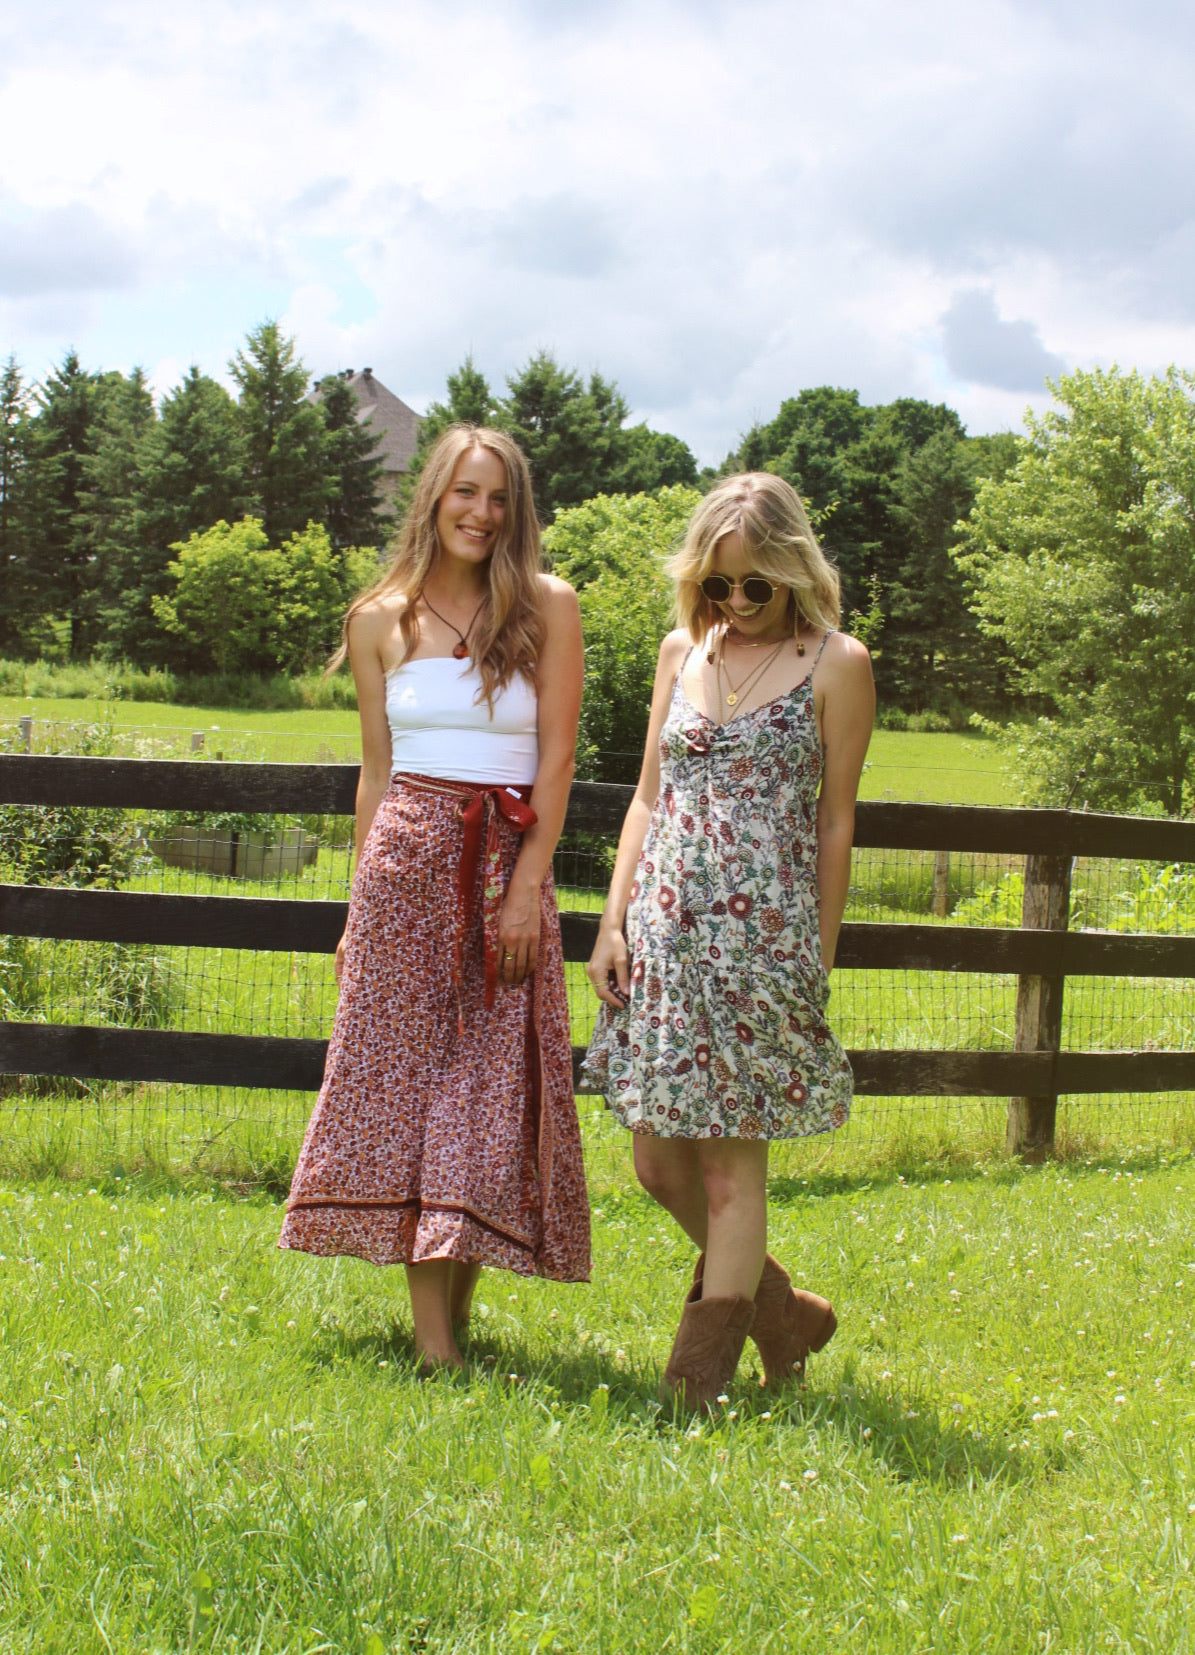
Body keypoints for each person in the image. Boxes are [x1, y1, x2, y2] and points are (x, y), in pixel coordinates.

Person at [279, 424, 590, 1371]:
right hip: (405, 868)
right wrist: (352, 909)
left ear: (517, 510)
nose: (480, 513)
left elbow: (559, 755)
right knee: (412, 1089)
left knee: (491, 1090)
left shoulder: (547, 607)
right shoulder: (378, 616)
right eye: (464, 492)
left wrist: (528, 885)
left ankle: (450, 1322)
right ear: (432, 497)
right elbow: (375, 775)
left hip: (507, 862)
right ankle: (434, 1347)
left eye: (498, 498)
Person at [584, 472, 874, 1411]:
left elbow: (835, 822)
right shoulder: (682, 650)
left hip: (764, 946)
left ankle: (691, 1388)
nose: (737, 603)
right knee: (656, 1161)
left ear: (793, 570)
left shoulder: (837, 662)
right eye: (719, 584)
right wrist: (612, 918)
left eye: (756, 585)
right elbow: (644, 797)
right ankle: (784, 1316)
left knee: (726, 1166)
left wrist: (815, 956)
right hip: (663, 934)